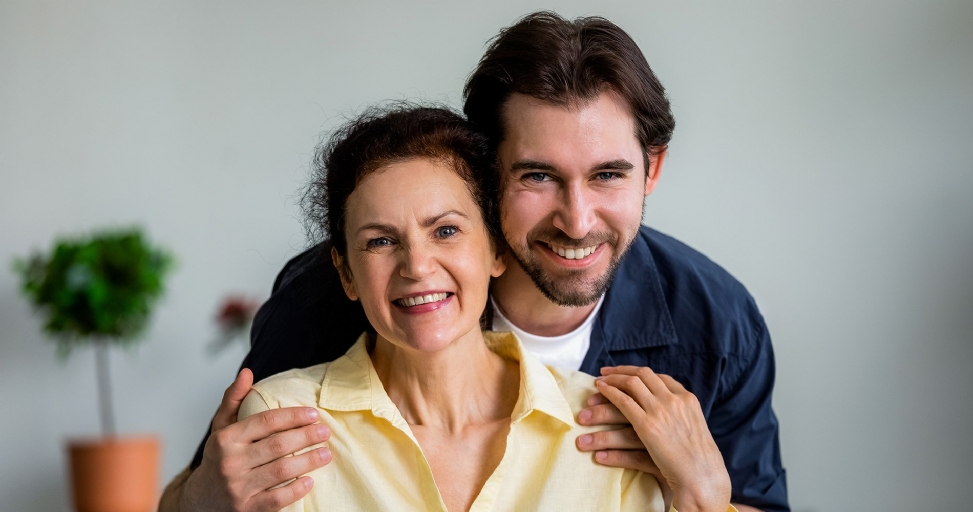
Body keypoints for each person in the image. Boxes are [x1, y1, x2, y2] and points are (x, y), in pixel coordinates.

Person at [160, 11, 787, 512]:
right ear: (488, 178)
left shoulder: (717, 322)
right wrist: (198, 501)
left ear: (651, 169)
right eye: (538, 175)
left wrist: (706, 493)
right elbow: (215, 488)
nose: (577, 220)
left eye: (607, 175)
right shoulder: (325, 296)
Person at [236, 104, 733, 512]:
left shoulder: (608, 425)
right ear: (346, 273)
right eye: (381, 241)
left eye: (446, 231)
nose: (418, 266)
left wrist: (704, 499)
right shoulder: (283, 419)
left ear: (497, 251)